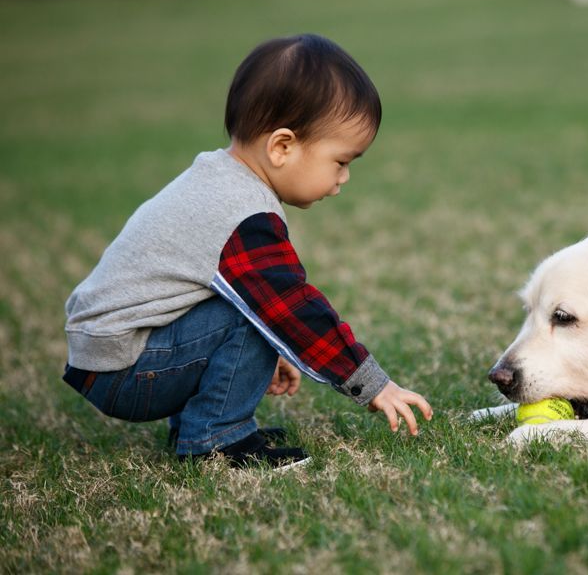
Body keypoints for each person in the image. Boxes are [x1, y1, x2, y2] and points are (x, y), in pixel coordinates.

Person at [63, 34, 433, 470]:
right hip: (124, 368)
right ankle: (215, 440)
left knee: (254, 303)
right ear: (282, 147)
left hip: (111, 356)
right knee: (268, 305)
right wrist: (373, 385)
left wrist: (261, 353)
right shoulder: (242, 214)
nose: (345, 178)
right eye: (341, 161)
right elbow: (292, 308)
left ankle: (200, 424)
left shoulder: (217, 180)